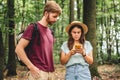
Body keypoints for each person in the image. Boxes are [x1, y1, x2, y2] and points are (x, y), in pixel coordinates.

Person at [15, 1, 62, 80]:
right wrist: (31, 67)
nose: (56, 19)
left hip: (51, 74)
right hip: (38, 73)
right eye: (54, 16)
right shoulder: (33, 28)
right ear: (46, 13)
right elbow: (18, 49)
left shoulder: (51, 32)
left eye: (57, 17)